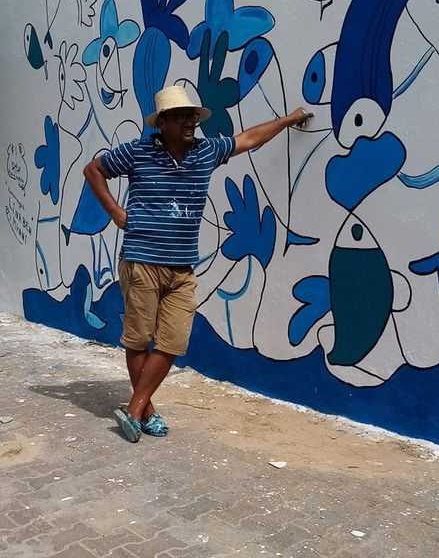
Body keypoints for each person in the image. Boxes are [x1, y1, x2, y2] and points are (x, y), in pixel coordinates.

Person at [84, 84, 313, 442]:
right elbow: (93, 170)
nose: (190, 122)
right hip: (142, 260)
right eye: (180, 117)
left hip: (183, 267)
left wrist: (289, 119)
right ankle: (146, 411)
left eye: (192, 116)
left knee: (173, 341)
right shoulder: (138, 151)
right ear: (162, 123)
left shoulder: (206, 151)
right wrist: (115, 212)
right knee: (139, 340)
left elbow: (249, 138)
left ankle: (134, 409)